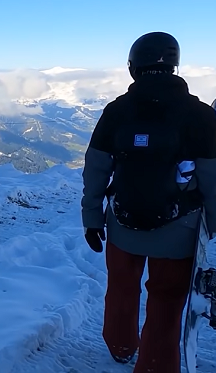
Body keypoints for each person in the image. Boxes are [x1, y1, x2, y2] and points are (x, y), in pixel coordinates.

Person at [81, 31, 216, 371]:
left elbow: (96, 169)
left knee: (122, 289)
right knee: (167, 302)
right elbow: (213, 177)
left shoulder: (117, 110)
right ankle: (156, 364)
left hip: (123, 224)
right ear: (174, 66)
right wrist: (210, 226)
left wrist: (92, 217)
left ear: (134, 66)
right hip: (179, 230)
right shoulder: (199, 114)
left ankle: (121, 346)